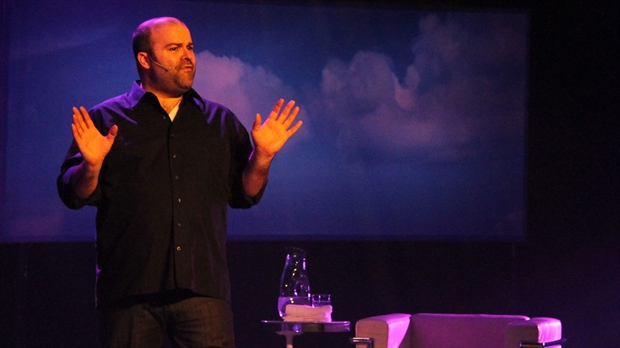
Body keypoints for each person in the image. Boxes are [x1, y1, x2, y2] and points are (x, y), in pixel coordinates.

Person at [57, 17, 302, 348]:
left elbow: (245, 195)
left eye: (190, 47)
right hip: (129, 295)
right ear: (145, 59)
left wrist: (262, 158)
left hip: (202, 292)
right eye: (174, 48)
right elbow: (74, 195)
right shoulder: (105, 120)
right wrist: (92, 164)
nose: (188, 56)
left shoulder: (219, 121)